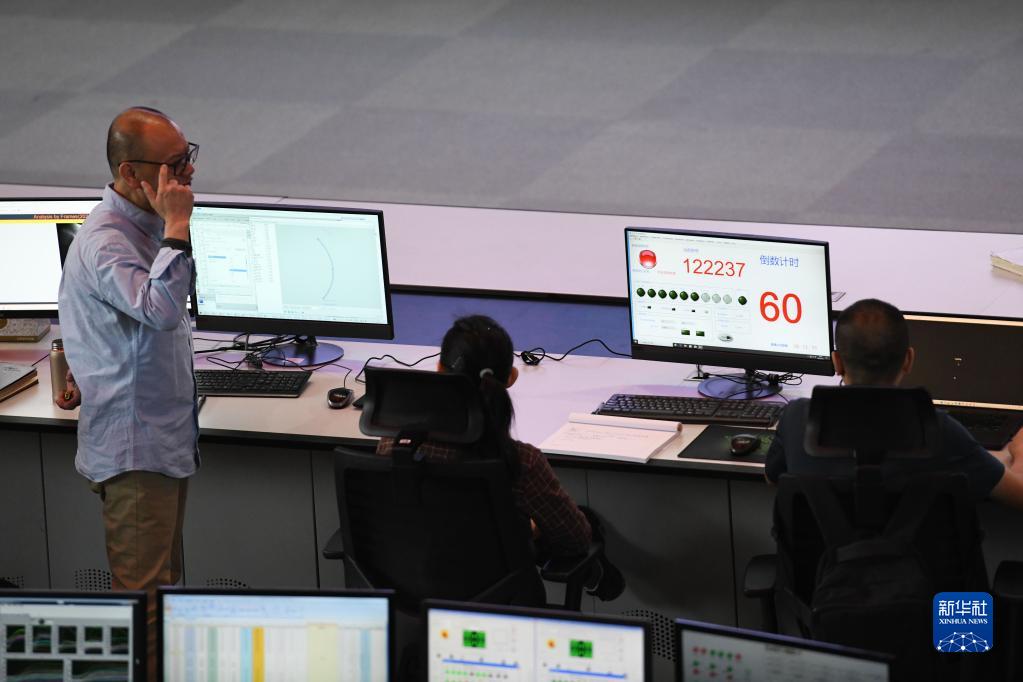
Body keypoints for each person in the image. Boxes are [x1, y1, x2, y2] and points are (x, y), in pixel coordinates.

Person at [55, 106, 199, 675]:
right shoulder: (109, 241)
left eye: (188, 157)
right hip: (136, 451)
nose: (187, 173)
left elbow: (96, 320)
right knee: (144, 606)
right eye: (174, 164)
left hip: (160, 441)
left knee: (163, 591)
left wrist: (75, 365)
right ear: (130, 172)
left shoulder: (141, 224)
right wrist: (178, 227)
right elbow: (161, 310)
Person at [376, 314, 625, 600]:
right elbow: (576, 539)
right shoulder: (520, 461)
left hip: (410, 603)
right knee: (574, 522)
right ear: (510, 378)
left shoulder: (392, 447)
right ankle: (600, 579)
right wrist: (526, 530)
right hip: (501, 611)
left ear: (439, 370)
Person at [766, 298, 1023, 507]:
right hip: (918, 559)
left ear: (837, 362)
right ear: (908, 360)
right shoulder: (940, 430)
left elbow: (774, 479)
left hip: (822, 558)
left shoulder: (796, 418)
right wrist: (1018, 448)